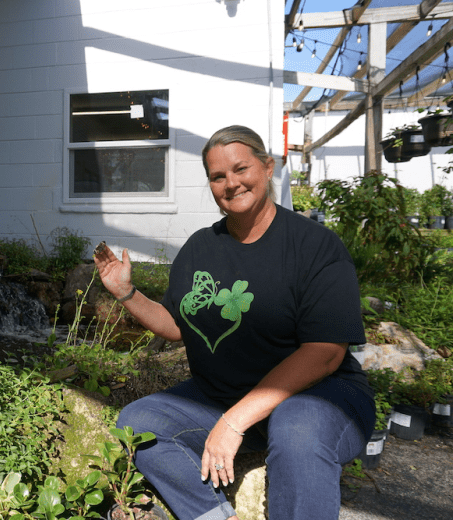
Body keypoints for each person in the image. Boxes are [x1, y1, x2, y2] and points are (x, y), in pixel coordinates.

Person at [94, 125, 375, 520]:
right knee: (140, 423)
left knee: (296, 428)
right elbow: (178, 325)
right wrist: (126, 293)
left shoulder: (314, 246)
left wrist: (234, 421)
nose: (231, 183)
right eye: (217, 176)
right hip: (221, 396)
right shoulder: (200, 248)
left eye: (241, 169)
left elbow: (325, 353)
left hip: (320, 398)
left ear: (267, 167)